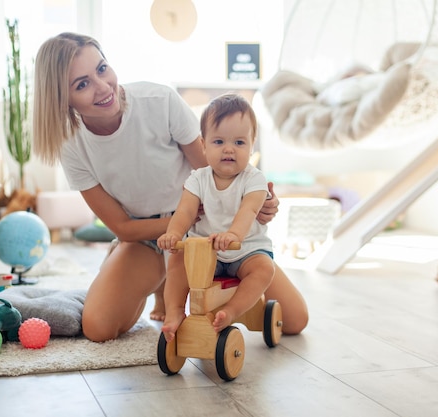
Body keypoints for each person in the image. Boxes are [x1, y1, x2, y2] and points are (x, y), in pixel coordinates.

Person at [32, 32, 308, 342]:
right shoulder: (71, 144)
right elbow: (122, 226)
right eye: (81, 84)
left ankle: (166, 283)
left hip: (209, 230)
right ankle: (154, 278)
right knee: (98, 328)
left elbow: (217, 173)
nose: (103, 87)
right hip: (149, 238)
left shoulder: (159, 101)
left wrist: (254, 205)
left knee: (294, 319)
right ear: (61, 98)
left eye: (102, 69)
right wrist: (176, 231)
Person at [157, 93, 274, 341]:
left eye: (240, 143)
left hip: (245, 251)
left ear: (252, 144)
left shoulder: (254, 179)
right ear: (204, 144)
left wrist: (233, 235)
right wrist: (174, 233)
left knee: (264, 269)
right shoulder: (198, 178)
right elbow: (186, 211)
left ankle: (230, 311)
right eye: (219, 141)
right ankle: (175, 312)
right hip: (205, 252)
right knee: (176, 260)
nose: (229, 149)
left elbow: (248, 211)